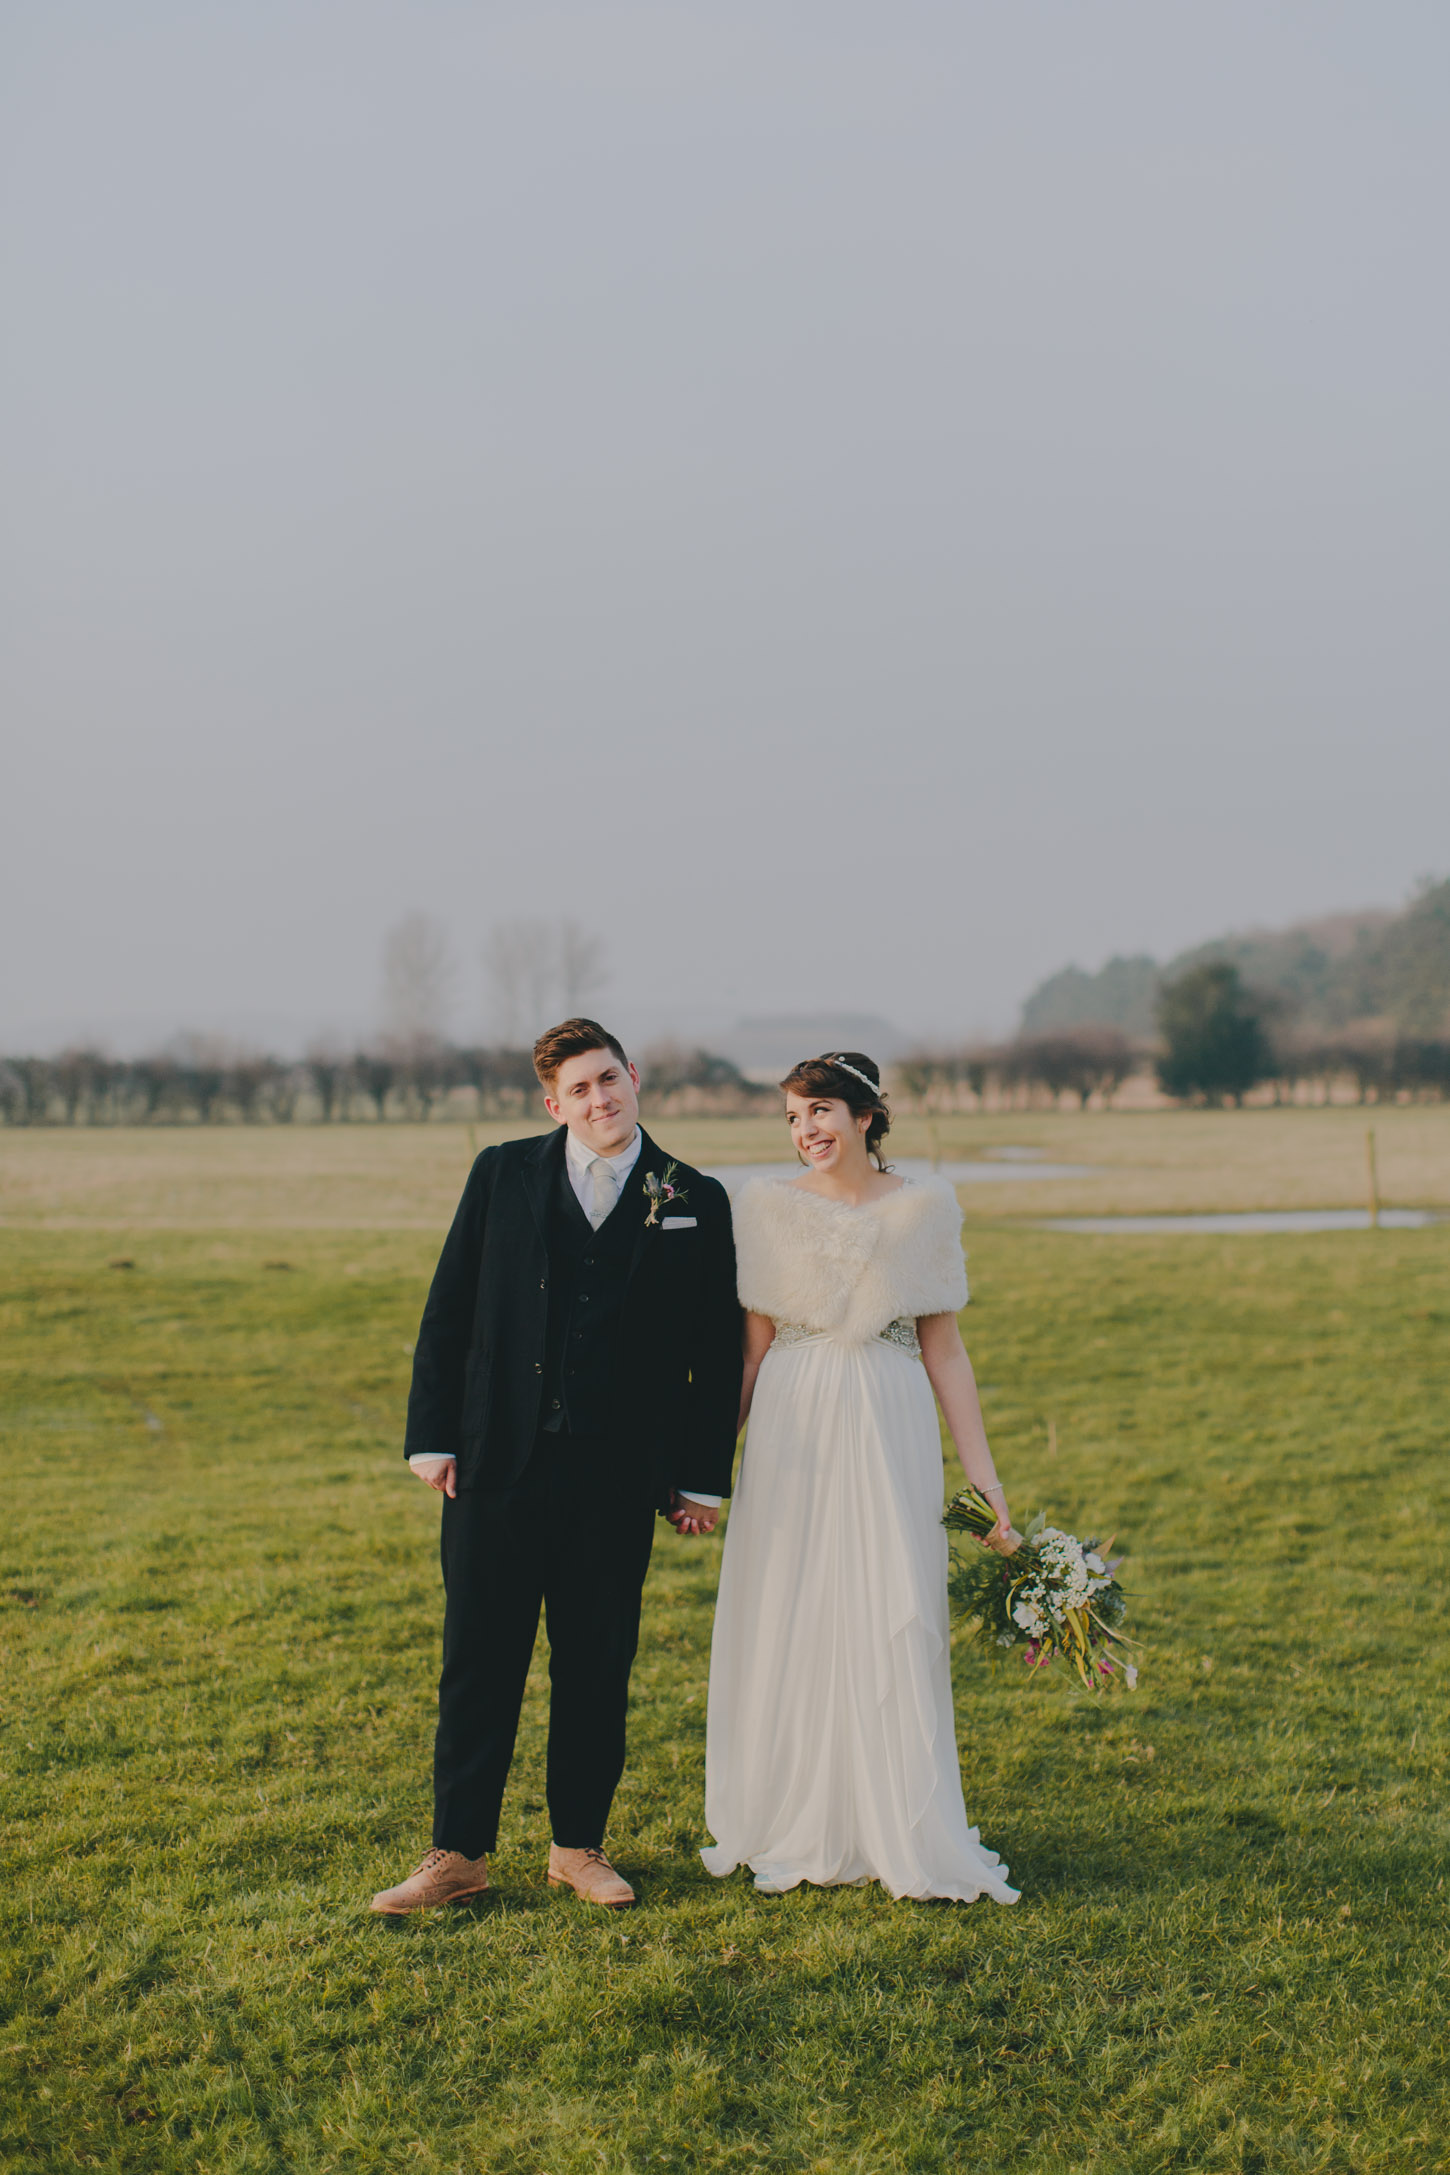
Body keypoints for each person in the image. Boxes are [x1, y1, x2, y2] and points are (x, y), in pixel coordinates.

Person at [372, 1019, 742, 1915]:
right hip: (497, 1465)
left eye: (608, 1079)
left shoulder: (693, 1193)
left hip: (617, 1476)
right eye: (577, 1089)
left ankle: (578, 1846)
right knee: (477, 1662)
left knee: (595, 1662)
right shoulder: (501, 1172)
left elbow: (715, 1348)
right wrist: (433, 1436)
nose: (598, 1099)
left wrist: (699, 1477)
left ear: (634, 1076)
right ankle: (456, 1853)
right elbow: (449, 1305)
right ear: (552, 1103)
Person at [700, 1053, 1020, 1904]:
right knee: (793, 1601)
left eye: (822, 1111)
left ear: (867, 1116)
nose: (807, 1130)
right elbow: (753, 1352)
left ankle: (898, 1821)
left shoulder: (925, 1209)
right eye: (795, 1116)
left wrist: (986, 1483)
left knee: (888, 1605)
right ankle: (794, 1813)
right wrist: (706, 1472)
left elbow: (947, 1354)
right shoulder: (764, 1209)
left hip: (888, 1418)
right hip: (792, 1424)